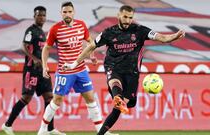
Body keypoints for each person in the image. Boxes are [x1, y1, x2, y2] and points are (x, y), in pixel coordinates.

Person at [63, 5, 185, 135]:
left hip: (132, 73)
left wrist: (174, 36)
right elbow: (91, 46)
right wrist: (74, 63)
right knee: (115, 82)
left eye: (130, 17)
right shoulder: (108, 32)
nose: (127, 20)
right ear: (119, 16)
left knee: (118, 109)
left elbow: (161, 37)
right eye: (125, 17)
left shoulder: (140, 31)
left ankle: (103, 128)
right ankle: (117, 97)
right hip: (113, 67)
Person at [37, 2, 118, 135]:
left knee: (90, 98)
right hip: (65, 71)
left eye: (69, 12)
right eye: (64, 12)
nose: (67, 14)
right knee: (56, 100)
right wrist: (45, 66)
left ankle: (101, 131)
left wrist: (91, 56)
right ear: (61, 13)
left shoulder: (81, 25)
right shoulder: (55, 29)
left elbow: (90, 42)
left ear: (73, 12)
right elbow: (46, 48)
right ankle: (42, 130)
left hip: (81, 70)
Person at [1, 6, 65, 135]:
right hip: (32, 69)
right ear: (34, 16)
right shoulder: (31, 31)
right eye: (39, 15)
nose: (41, 17)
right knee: (26, 98)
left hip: (42, 70)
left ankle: (50, 128)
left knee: (49, 97)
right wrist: (34, 58)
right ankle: (7, 125)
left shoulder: (42, 32)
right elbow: (23, 46)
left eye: (43, 15)